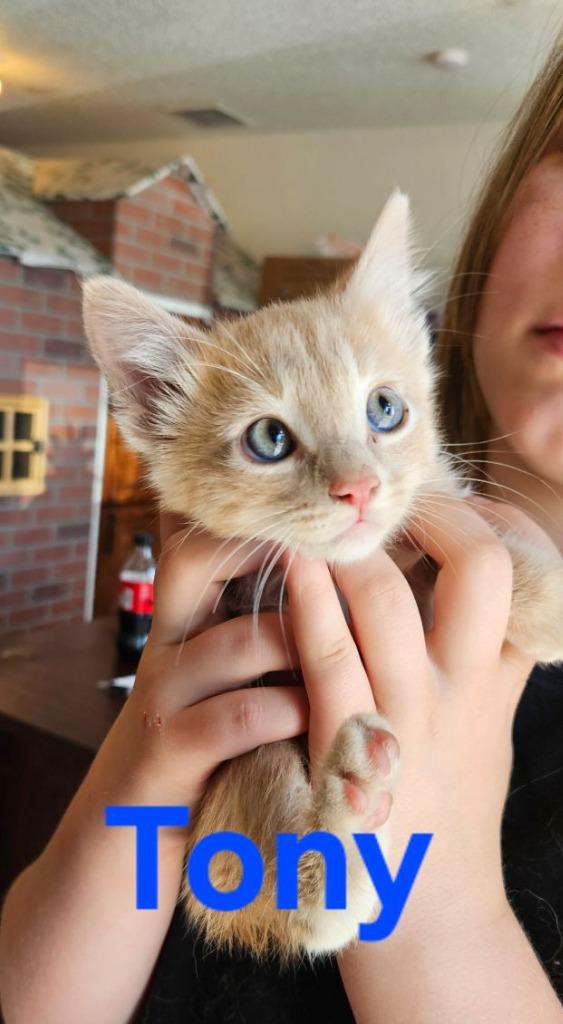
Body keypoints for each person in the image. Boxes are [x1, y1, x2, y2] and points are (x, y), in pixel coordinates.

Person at [2, 34, 563, 1024]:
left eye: (379, 416)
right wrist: (142, 766)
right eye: (273, 437)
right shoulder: (214, 640)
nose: (353, 481)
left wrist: (425, 901)